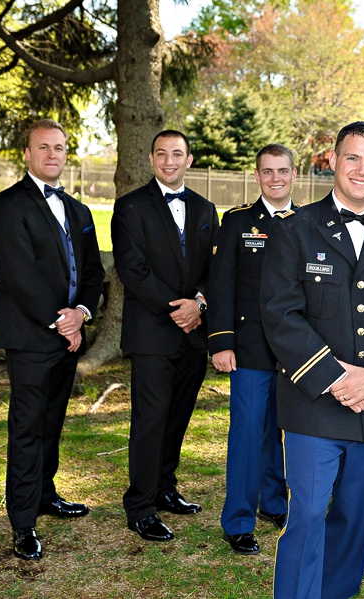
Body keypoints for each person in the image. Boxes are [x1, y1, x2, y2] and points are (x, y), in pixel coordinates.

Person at [260, 121, 364, 598]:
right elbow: (281, 316)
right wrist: (337, 378)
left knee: (357, 520)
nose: (362, 169)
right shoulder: (294, 230)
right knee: (309, 515)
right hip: (313, 404)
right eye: (353, 158)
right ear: (332, 160)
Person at [0, 119, 105, 560]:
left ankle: (45, 494)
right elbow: (21, 276)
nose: (53, 154)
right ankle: (22, 521)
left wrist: (83, 313)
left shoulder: (80, 211)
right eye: (44, 147)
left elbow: (93, 272)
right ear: (28, 154)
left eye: (60, 148)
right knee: (28, 426)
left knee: (53, 422)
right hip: (31, 337)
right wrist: (64, 322)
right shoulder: (5, 206)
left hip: (69, 336)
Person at [112, 130, 220, 542]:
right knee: (149, 421)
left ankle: (164, 489)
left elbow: (216, 269)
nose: (169, 160)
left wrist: (200, 303)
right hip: (153, 334)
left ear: (189, 159)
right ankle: (139, 506)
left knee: (178, 417)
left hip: (194, 333)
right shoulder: (130, 207)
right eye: (162, 153)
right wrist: (178, 308)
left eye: (177, 154)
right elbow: (132, 269)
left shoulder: (207, 209)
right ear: (152, 159)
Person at [208, 144, 296, 555]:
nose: (275, 178)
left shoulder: (309, 222)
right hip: (249, 348)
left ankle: (275, 503)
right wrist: (221, 342)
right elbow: (222, 285)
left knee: (283, 431)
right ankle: (238, 521)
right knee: (246, 434)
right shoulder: (239, 221)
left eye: (282, 171)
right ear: (257, 176)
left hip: (297, 352)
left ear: (293, 174)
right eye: (267, 171)